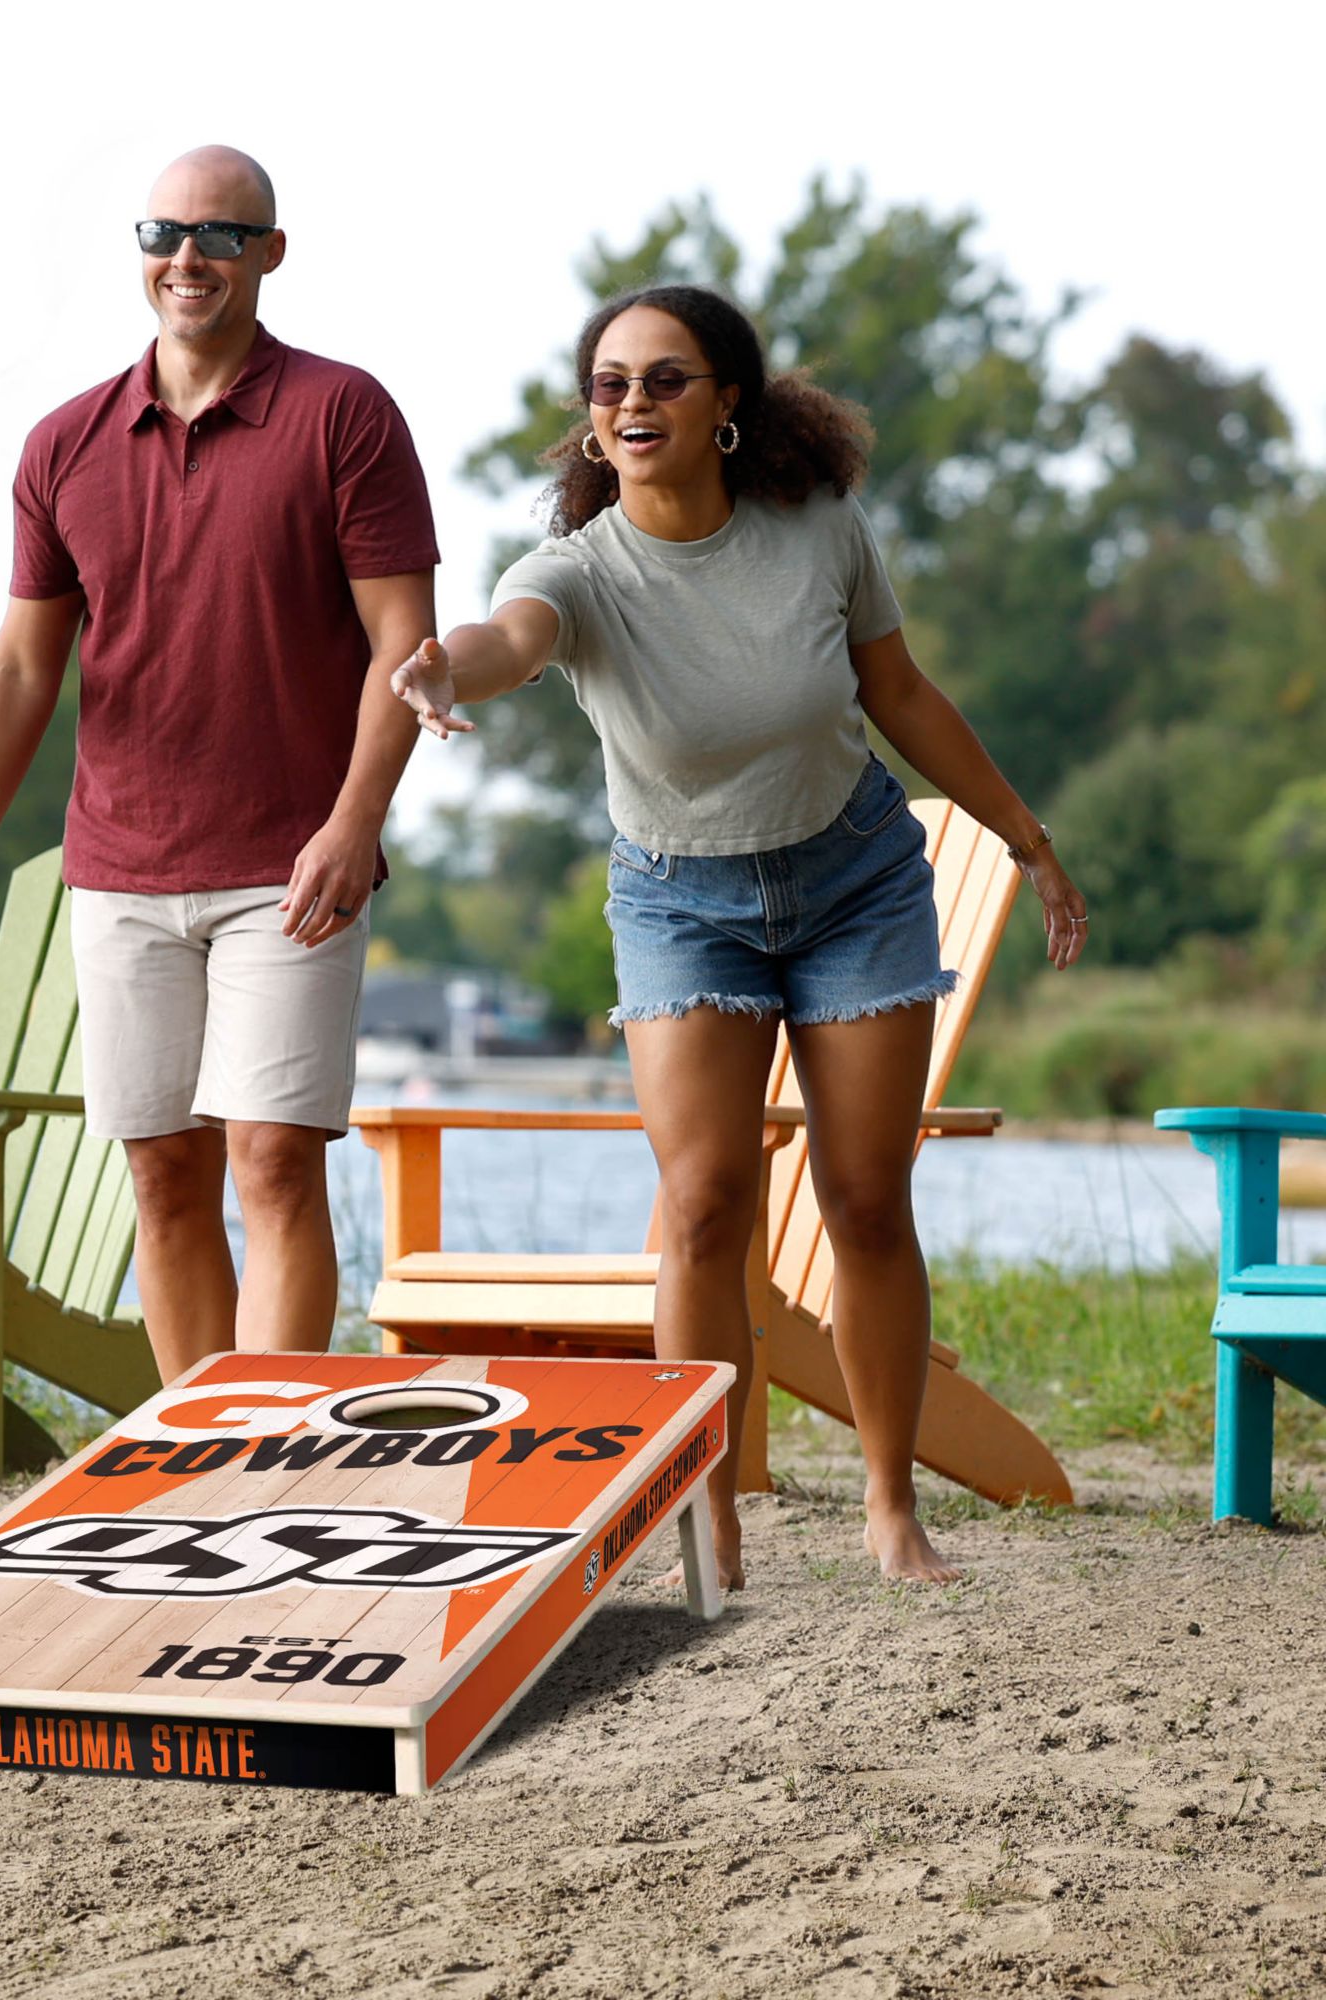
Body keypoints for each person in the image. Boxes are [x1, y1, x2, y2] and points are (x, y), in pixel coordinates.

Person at [390, 284, 1087, 1586]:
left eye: (664, 378)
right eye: (610, 385)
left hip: (857, 884)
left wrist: (1021, 833)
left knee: (866, 1201)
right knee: (705, 1203)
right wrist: (442, 670)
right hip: (678, 903)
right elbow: (507, 639)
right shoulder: (578, 572)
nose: (635, 403)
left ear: (726, 405)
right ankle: (705, 1513)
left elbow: (900, 693)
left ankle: (890, 1511)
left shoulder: (818, 530)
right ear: (591, 425)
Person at [0, 146, 438, 1385]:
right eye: (165, 232)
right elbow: (17, 671)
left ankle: (267, 1454)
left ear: (270, 251)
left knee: (271, 1157)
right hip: (121, 865)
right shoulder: (64, 443)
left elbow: (403, 648)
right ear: (141, 250)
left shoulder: (341, 414)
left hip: (292, 865)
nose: (188, 258)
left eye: (219, 234)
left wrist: (353, 821)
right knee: (161, 1170)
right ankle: (197, 1452)